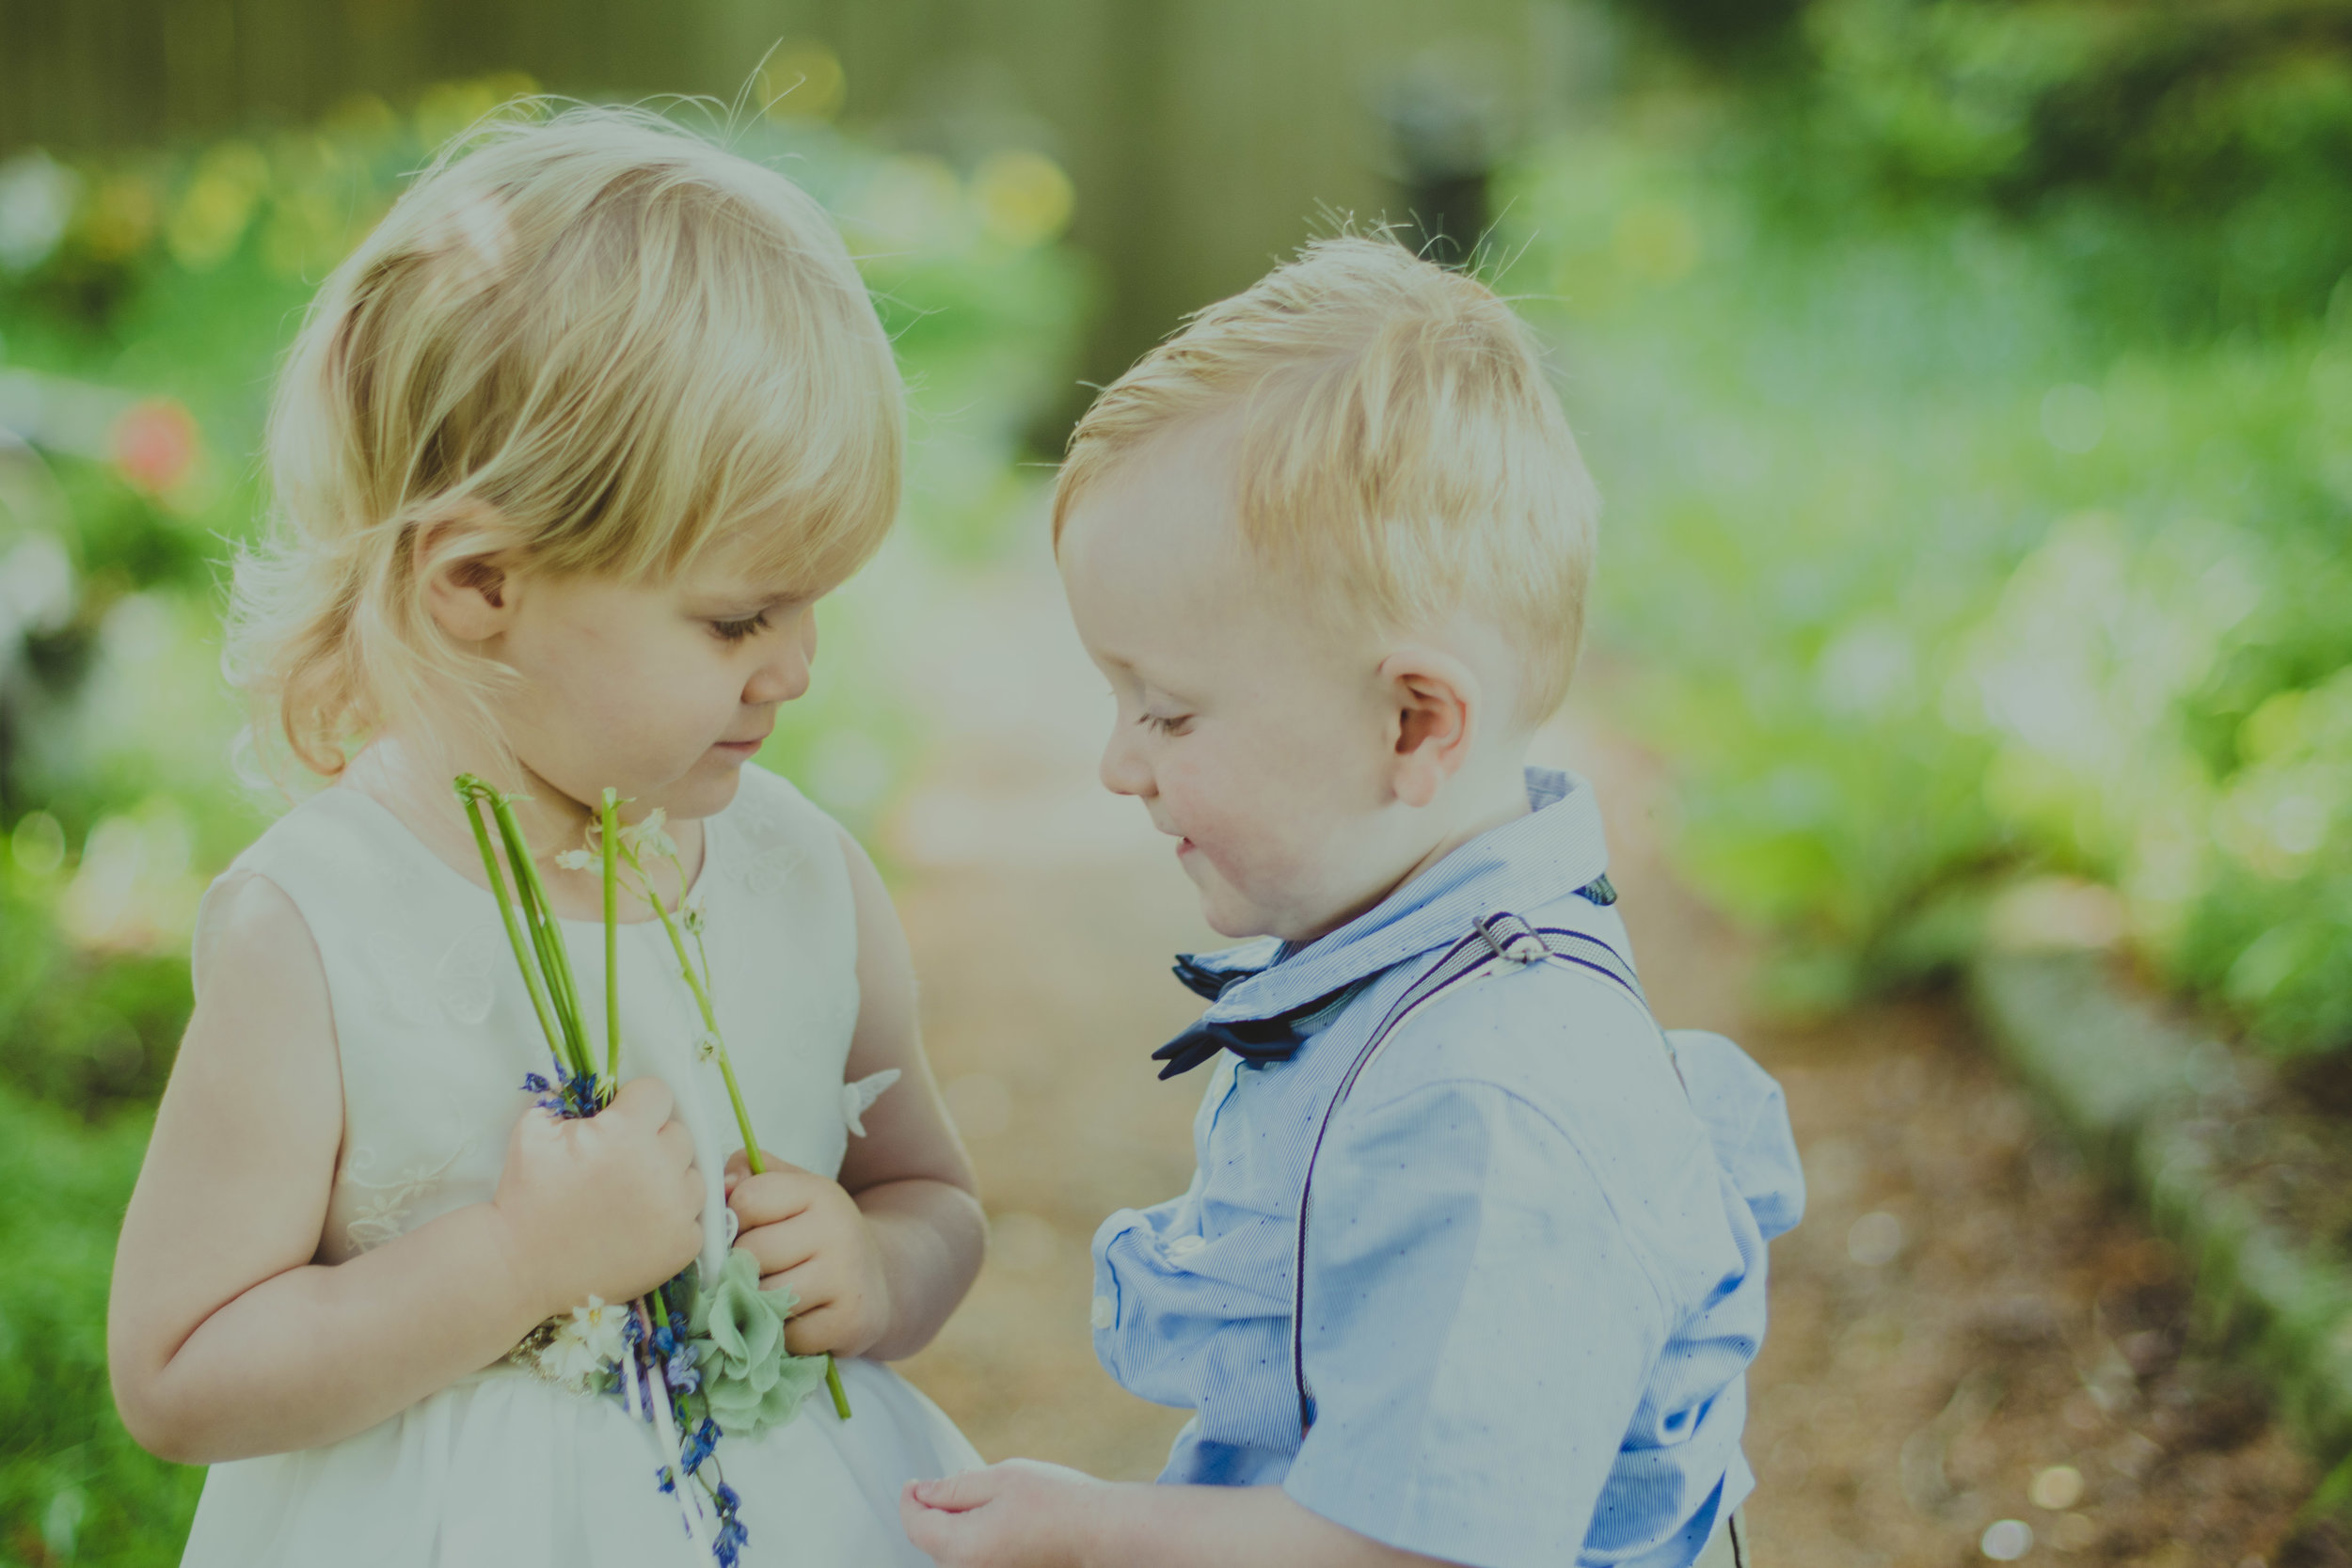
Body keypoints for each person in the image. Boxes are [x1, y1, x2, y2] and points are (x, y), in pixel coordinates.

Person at [106, 105, 984, 1567]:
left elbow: (930, 1191)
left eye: (815, 604)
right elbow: (178, 1370)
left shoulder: (800, 875)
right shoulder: (317, 928)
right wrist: (518, 1262)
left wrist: (882, 1268)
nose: (798, 668)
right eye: (736, 617)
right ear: (479, 583)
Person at [901, 235, 1804, 1568]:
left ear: (1413, 721)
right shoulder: (1416, 987)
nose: (1117, 763)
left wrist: (1091, 1533)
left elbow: (1420, 1549)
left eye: (1168, 710)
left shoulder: (1486, 1109)